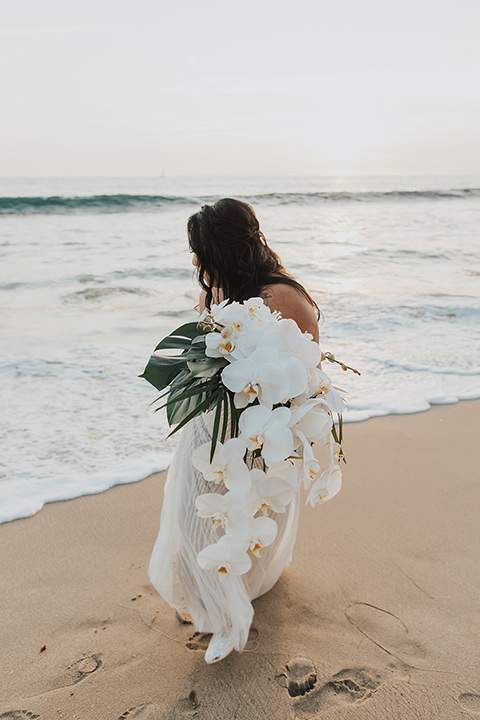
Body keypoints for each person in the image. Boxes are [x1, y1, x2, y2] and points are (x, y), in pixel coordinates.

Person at [148, 198, 321, 663]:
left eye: (200, 249)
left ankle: (228, 616)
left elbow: (306, 374)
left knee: (245, 519)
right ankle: (210, 594)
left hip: (261, 435)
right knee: (191, 519)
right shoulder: (217, 292)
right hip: (209, 430)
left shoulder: (283, 299)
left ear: (222, 247)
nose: (195, 261)